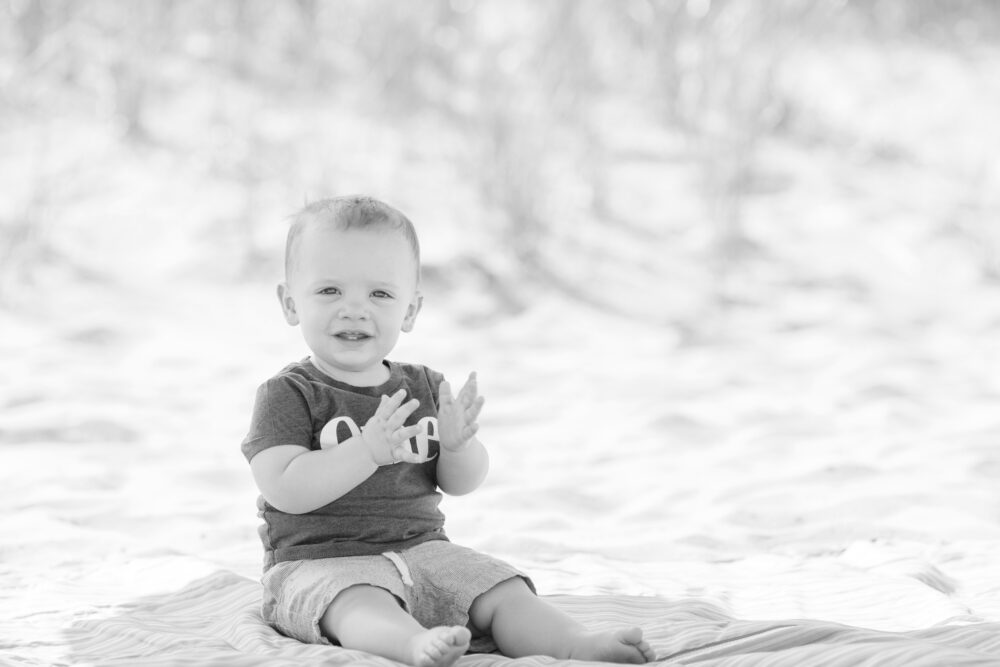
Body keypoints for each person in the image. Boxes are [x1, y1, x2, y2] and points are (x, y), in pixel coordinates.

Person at [241, 196, 655, 667]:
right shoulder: (288, 394)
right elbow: (286, 489)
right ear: (291, 303)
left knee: (501, 588)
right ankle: (413, 645)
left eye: (379, 294)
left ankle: (575, 645)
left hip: (425, 551)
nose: (354, 310)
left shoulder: (424, 387)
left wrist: (459, 446)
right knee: (356, 603)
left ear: (411, 311)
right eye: (329, 291)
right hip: (322, 564)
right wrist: (367, 451)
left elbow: (460, 483)